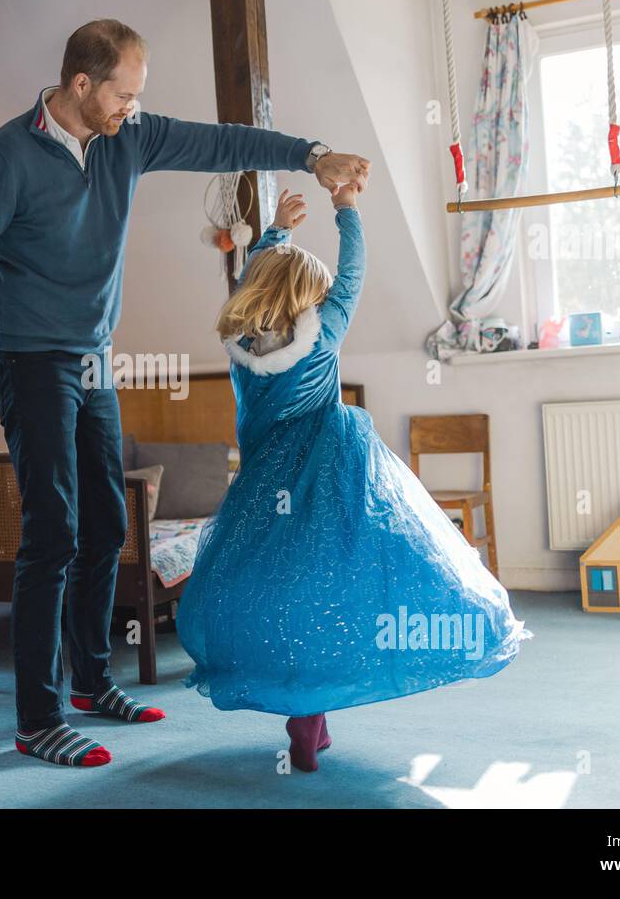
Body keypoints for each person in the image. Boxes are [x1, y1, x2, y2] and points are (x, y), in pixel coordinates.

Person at [0, 19, 371, 767]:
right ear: (80, 86)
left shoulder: (128, 137)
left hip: (93, 357)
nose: (134, 107)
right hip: (29, 358)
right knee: (54, 528)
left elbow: (220, 140)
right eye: (124, 94)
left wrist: (312, 155)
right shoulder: (1, 161)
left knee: (107, 522)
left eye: (138, 96)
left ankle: (93, 682)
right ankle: (37, 716)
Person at [176, 184, 531, 772]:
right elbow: (354, 272)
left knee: (284, 592)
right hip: (329, 473)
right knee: (343, 583)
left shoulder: (236, 342)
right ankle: (313, 716)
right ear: (310, 299)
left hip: (266, 486)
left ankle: (306, 718)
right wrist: (346, 208)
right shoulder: (326, 330)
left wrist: (276, 235)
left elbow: (246, 287)